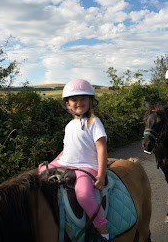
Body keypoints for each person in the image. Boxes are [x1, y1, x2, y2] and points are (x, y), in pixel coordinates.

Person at [38, 79, 110, 241]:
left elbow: (101, 148)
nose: (79, 103)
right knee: (40, 172)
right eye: (74, 100)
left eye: (83, 99)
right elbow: (66, 149)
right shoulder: (70, 125)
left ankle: (102, 227)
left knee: (83, 194)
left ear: (91, 101)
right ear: (68, 104)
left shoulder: (94, 122)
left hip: (86, 166)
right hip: (66, 163)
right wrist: (52, 162)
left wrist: (100, 174)